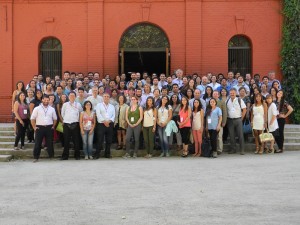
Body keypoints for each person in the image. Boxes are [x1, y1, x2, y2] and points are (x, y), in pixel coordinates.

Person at [30, 95, 57, 162]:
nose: (46, 101)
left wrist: (53, 126)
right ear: (42, 100)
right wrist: (34, 127)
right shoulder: (37, 108)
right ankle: (36, 157)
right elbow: (32, 118)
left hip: (49, 127)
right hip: (39, 127)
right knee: (38, 143)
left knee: (50, 143)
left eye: (47, 100)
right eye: (45, 100)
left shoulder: (52, 109)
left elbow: (55, 119)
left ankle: (51, 156)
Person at [61, 91, 83, 160]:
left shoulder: (78, 105)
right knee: (66, 141)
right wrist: (65, 120)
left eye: (73, 96)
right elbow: (62, 114)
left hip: (75, 124)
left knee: (76, 141)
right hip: (67, 124)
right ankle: (65, 156)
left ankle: (77, 156)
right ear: (68, 96)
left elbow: (80, 114)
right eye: (70, 95)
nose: (72, 97)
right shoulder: (65, 105)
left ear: (75, 97)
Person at [94, 93, 115, 159]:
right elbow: (98, 114)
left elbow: (113, 115)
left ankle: (107, 154)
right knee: (100, 139)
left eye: (107, 96)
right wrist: (104, 121)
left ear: (109, 98)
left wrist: (109, 121)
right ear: (102, 98)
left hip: (110, 124)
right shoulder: (99, 105)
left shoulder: (112, 106)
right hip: (101, 124)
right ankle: (97, 154)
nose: (106, 97)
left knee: (109, 140)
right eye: (105, 96)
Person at [226, 88, 246, 155]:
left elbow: (244, 109)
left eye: (233, 93)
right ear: (229, 93)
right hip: (230, 120)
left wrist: (241, 118)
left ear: (236, 93)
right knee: (231, 136)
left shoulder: (239, 100)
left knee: (240, 135)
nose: (232, 94)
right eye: (231, 93)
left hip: (238, 120)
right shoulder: (227, 100)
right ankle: (233, 149)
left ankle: (242, 149)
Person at [212, 90, 227, 155]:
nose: (215, 95)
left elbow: (225, 112)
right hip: (212, 123)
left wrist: (224, 121)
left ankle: (219, 149)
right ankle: (214, 149)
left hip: (219, 122)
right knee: (213, 137)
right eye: (214, 94)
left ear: (218, 95)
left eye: (216, 94)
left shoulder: (222, 102)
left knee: (219, 137)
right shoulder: (210, 102)